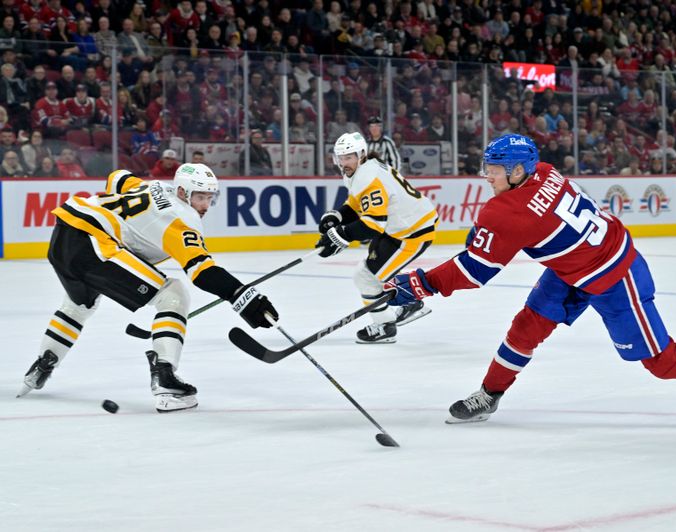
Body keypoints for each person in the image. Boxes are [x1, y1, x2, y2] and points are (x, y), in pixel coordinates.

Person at [386, 133, 676, 427]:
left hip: (615, 273)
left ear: (517, 170)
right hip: (573, 269)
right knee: (525, 328)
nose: (485, 177)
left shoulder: (506, 212)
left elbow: (475, 271)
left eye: (492, 170)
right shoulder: (544, 172)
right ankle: (489, 395)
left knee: (661, 362)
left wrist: (419, 283)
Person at [18, 164, 279, 412]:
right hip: (95, 245)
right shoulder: (181, 219)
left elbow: (117, 177)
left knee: (79, 305)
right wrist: (244, 298)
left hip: (64, 235)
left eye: (210, 198)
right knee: (173, 295)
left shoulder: (154, 186)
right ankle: (165, 379)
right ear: (182, 192)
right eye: (200, 197)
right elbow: (202, 272)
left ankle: (42, 364)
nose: (205, 206)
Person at [316, 132, 438, 343]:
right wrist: (337, 216)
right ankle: (405, 304)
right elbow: (356, 204)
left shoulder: (367, 176)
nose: (344, 162)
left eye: (348, 157)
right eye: (340, 157)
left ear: (361, 154)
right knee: (370, 274)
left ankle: (388, 323)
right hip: (398, 229)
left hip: (412, 233)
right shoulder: (363, 168)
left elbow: (373, 224)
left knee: (367, 277)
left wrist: (342, 234)